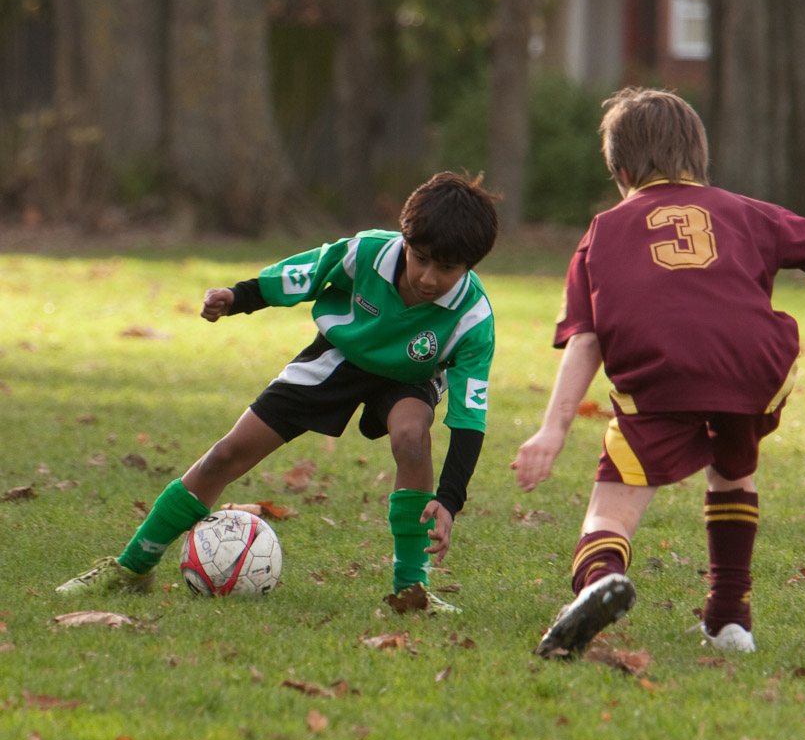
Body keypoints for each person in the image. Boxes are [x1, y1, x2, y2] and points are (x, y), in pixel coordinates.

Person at [56, 172, 498, 609]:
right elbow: (305, 274)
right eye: (420, 258)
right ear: (404, 240)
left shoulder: (473, 318)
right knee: (225, 455)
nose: (428, 278)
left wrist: (448, 500)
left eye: (447, 268)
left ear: (469, 266)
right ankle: (133, 567)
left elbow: (468, 418)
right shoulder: (366, 252)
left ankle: (411, 589)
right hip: (339, 358)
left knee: (412, 436)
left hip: (409, 378)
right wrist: (240, 297)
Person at [513, 86, 805, 658]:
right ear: (699, 157)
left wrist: (552, 430)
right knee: (733, 471)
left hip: (660, 377)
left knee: (611, 507)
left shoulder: (603, 231)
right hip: (753, 370)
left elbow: (586, 338)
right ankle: (729, 622)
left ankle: (601, 581)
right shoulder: (749, 212)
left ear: (622, 171)